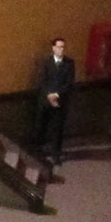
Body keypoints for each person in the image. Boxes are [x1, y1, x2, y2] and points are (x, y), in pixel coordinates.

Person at [32, 34, 75, 165]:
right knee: (41, 126)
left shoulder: (69, 63)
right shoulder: (46, 62)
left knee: (57, 128)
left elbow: (69, 82)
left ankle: (56, 154)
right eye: (59, 47)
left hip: (60, 101)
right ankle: (38, 151)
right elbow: (42, 80)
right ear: (53, 48)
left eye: (63, 47)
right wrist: (49, 95)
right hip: (45, 100)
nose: (61, 49)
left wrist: (57, 95)